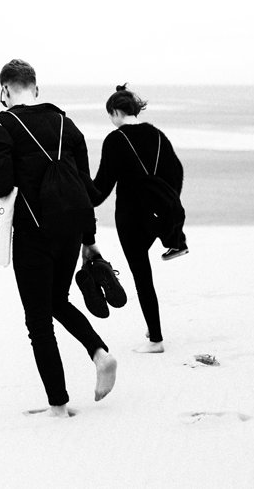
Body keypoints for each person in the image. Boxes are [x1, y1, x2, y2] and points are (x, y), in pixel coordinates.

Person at [0, 59, 117, 417]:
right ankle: (100, 354)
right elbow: (84, 189)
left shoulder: (2, 124)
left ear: (6, 90)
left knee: (38, 320)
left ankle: (59, 406)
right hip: (72, 231)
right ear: (37, 89)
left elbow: (0, 184)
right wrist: (89, 240)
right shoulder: (65, 123)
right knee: (57, 300)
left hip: (34, 233)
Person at [85, 84, 188, 354]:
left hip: (131, 219)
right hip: (158, 216)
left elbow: (100, 190)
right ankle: (153, 329)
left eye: (111, 115)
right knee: (145, 276)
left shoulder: (115, 140)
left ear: (117, 111)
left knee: (143, 276)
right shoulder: (157, 135)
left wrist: (79, 183)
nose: (111, 120)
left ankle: (156, 339)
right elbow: (176, 172)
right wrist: (165, 205)